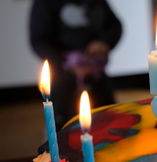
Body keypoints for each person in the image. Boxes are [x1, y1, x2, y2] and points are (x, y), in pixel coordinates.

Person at [30, 0, 122, 130]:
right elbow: (39, 40)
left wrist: (104, 42)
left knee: (108, 121)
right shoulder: (44, 3)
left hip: (96, 75)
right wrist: (68, 63)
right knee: (64, 128)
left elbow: (114, 26)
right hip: (63, 78)